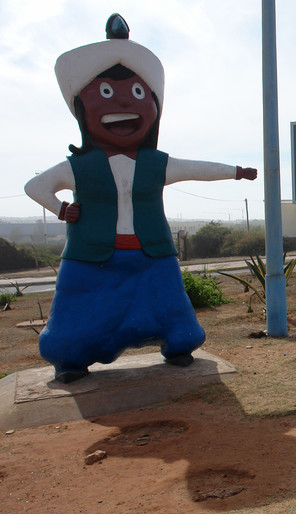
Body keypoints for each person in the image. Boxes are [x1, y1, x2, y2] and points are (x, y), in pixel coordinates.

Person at [24, 14, 257, 382]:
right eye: (103, 93)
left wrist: (234, 171)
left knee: (172, 310)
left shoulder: (156, 164)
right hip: (90, 257)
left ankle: (179, 344)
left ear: (153, 107)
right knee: (76, 317)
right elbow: (34, 187)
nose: (121, 103)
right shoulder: (78, 167)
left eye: (136, 93)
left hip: (152, 254)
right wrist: (62, 209)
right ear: (83, 109)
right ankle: (70, 357)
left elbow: (196, 167)